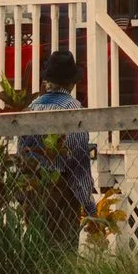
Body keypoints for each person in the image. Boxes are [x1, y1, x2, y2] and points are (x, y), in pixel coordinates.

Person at [17, 50, 95, 249]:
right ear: (71, 83)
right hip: (63, 191)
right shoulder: (74, 109)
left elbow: (22, 153)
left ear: (48, 81)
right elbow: (78, 164)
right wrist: (89, 206)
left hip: (33, 188)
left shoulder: (32, 107)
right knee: (63, 254)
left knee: (38, 250)